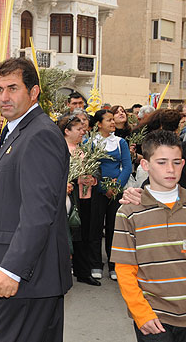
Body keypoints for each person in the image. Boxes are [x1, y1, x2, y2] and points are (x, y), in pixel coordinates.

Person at [0, 57, 72, 342]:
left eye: (13, 88)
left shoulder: (39, 135)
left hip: (29, 277)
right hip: (28, 277)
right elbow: (12, 187)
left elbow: (38, 212)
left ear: (33, 92)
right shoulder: (19, 129)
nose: (4, 97)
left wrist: (12, 270)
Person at [112, 130, 186, 341]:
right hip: (154, 317)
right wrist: (141, 314)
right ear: (145, 165)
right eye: (162, 162)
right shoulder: (129, 212)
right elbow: (125, 270)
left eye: (176, 162)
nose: (170, 169)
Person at [90, 109, 132, 281]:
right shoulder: (91, 142)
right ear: (99, 124)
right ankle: (95, 263)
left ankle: (114, 264)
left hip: (116, 190)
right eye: (108, 120)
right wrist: (102, 187)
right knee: (95, 226)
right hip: (98, 190)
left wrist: (116, 186)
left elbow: (127, 166)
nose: (113, 123)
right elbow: (90, 167)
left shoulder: (120, 142)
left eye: (113, 120)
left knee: (115, 228)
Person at [58, 114, 99, 286]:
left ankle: (84, 271)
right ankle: (63, 272)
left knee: (85, 234)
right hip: (70, 198)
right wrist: (68, 183)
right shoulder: (59, 149)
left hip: (86, 197)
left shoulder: (85, 150)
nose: (83, 132)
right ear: (67, 131)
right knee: (68, 236)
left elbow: (96, 168)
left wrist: (93, 179)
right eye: (78, 129)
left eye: (83, 129)